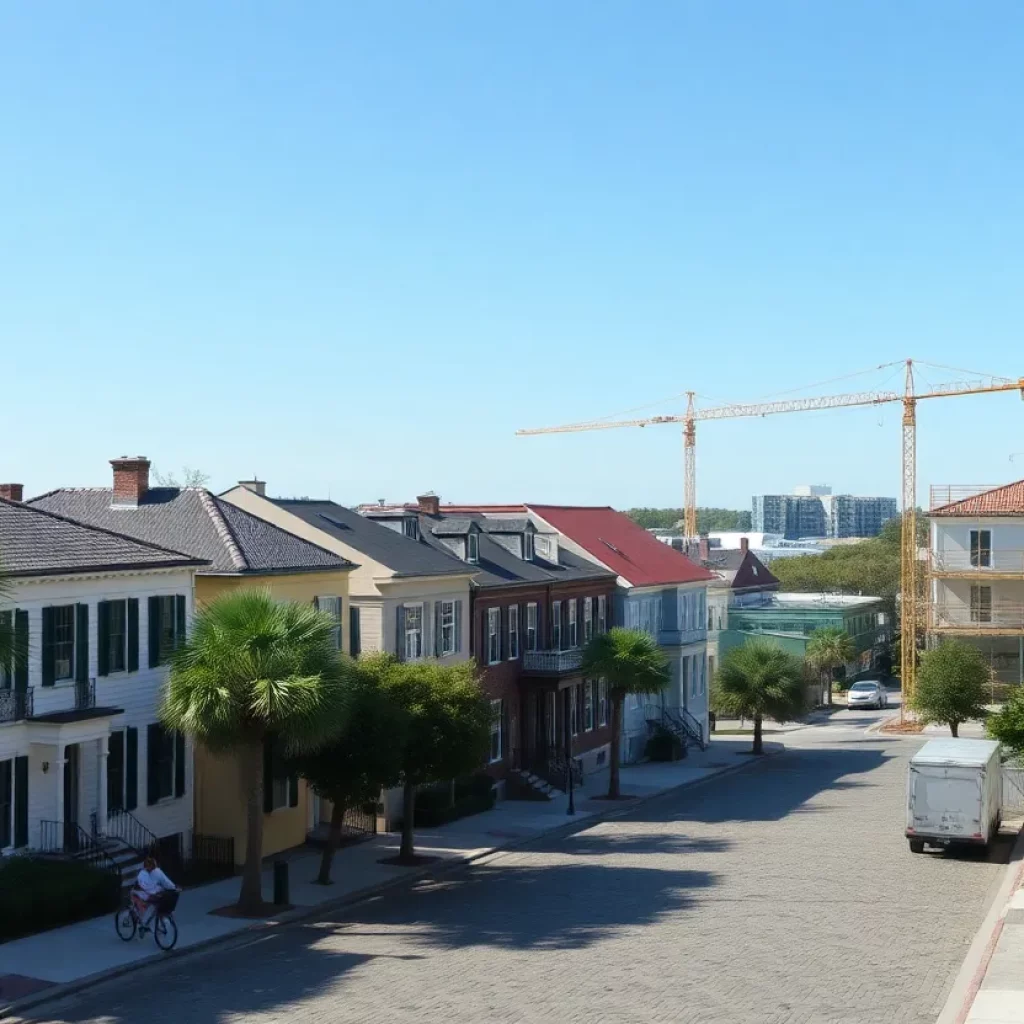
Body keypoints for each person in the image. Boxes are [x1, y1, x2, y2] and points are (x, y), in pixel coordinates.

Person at [132, 855, 178, 933]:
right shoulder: (144, 874)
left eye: (152, 867)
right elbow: (146, 887)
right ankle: (143, 924)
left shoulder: (155, 872)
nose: (152, 869)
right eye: (150, 867)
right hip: (140, 892)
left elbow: (165, 881)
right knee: (148, 904)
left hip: (149, 892)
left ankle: (147, 923)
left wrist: (173, 887)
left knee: (155, 905)